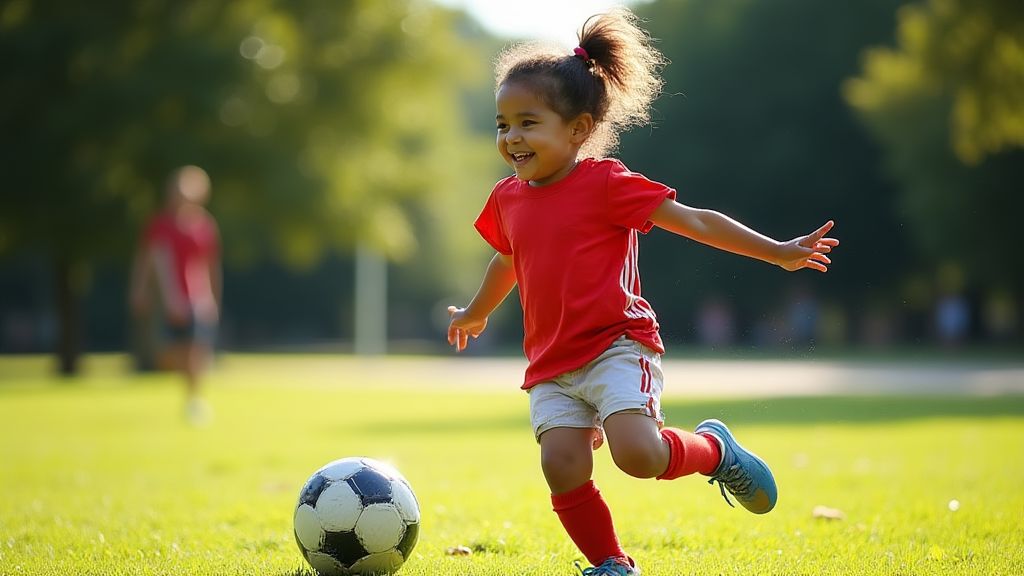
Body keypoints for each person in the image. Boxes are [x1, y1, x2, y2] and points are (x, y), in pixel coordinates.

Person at [445, 9, 839, 576]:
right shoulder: (507, 198)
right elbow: (508, 259)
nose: (511, 137)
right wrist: (476, 312)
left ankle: (715, 451)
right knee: (561, 464)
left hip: (616, 345)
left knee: (638, 455)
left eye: (528, 122)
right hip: (551, 361)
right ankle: (611, 563)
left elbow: (697, 221)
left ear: (578, 129)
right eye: (502, 123)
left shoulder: (606, 184)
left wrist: (777, 250)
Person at [130, 165, 222, 425]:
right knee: (170, 354)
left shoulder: (204, 226)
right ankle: (190, 394)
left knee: (196, 351)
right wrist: (140, 290)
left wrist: (210, 298)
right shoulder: (161, 225)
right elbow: (149, 260)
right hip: (168, 299)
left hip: (195, 299)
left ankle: (194, 400)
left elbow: (208, 266)